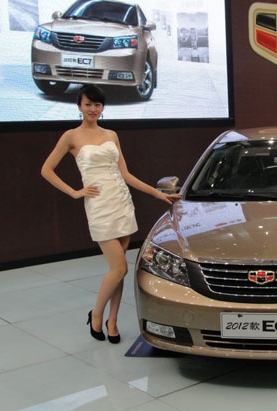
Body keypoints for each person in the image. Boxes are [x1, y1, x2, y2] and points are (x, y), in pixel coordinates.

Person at [41, 85, 180, 343]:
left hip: (121, 202)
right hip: (99, 205)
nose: (93, 109)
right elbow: (46, 170)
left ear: (102, 107)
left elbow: (125, 174)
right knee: (119, 268)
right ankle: (96, 314)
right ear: (79, 106)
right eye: (88, 104)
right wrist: (74, 192)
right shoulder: (71, 136)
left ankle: (112, 321)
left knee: (119, 270)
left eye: (97, 104)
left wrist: (157, 194)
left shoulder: (111, 134)